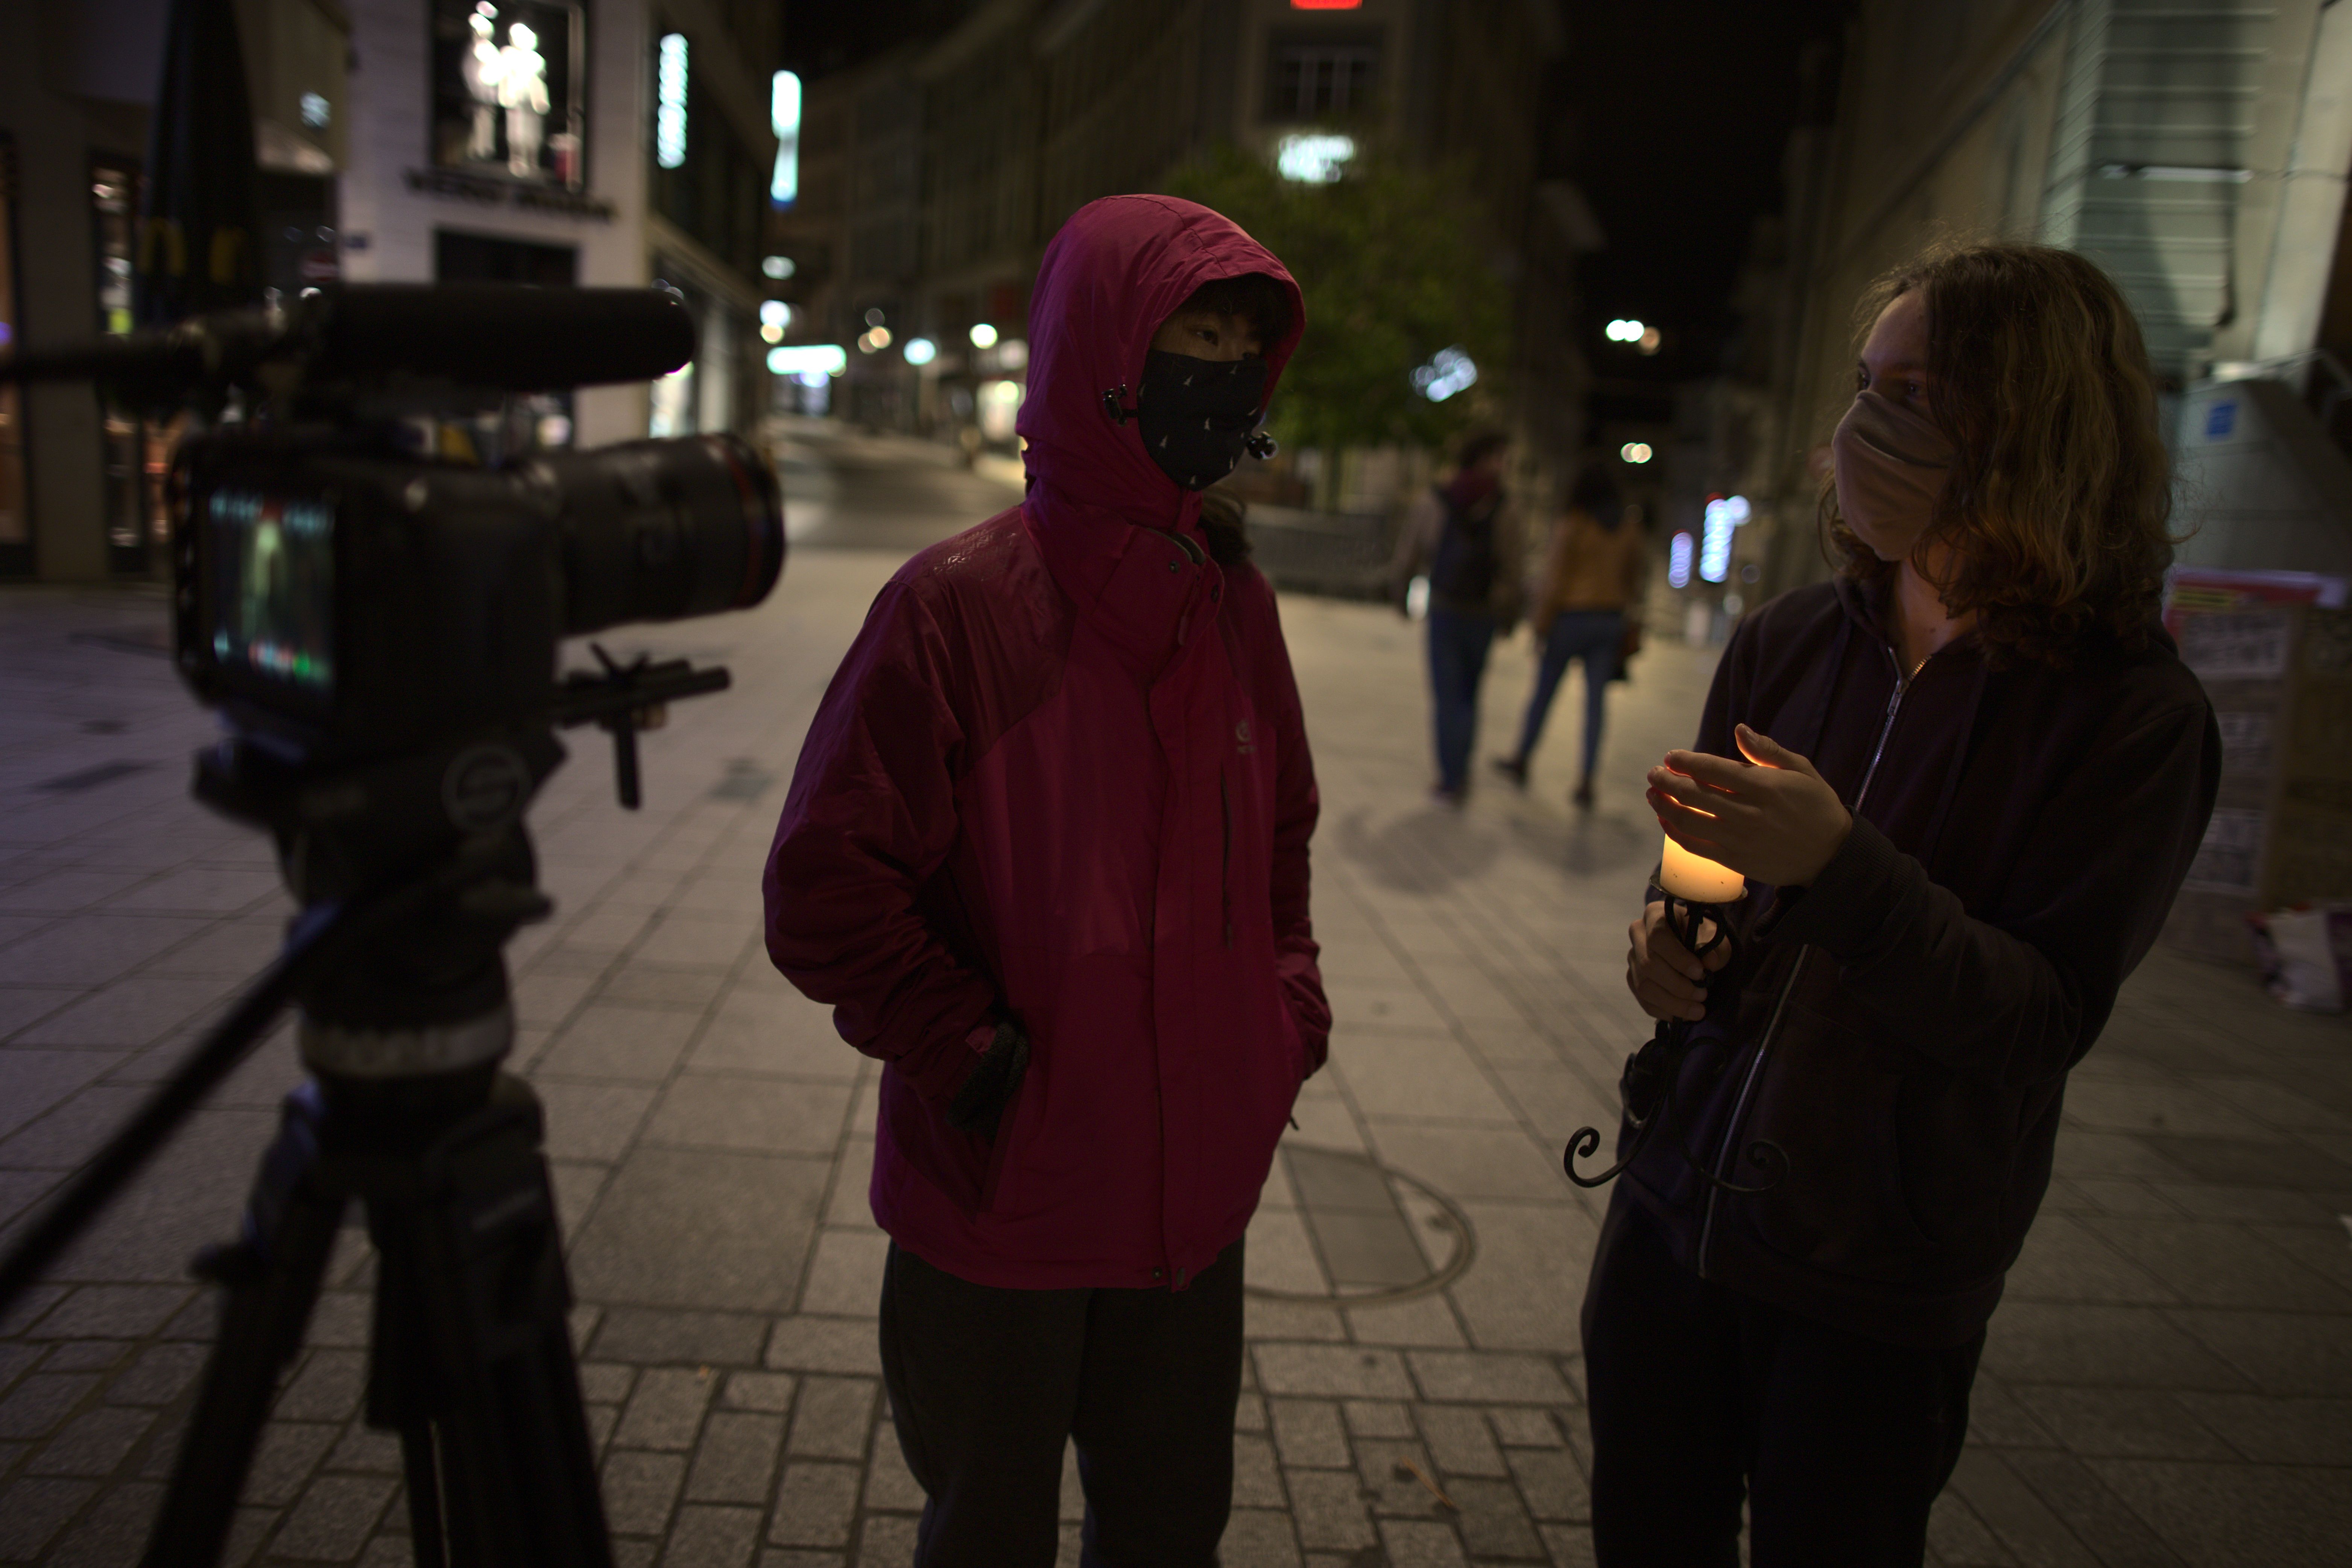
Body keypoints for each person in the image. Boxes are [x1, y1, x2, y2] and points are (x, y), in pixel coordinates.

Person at [1590, 241, 2220, 1565]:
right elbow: (1695, 865)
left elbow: (2038, 1016)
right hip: (1673, 1211)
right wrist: (1667, 932)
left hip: (1872, 1286)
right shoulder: (1791, 638)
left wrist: (1845, 868)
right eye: (1867, 384)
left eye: (1918, 391)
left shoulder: (2132, 715)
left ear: (2035, 417)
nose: (1865, 425)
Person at [763, 194, 1328, 1567]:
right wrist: (962, 1046)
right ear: (1102, 357)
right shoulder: (954, 606)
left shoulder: (1230, 597)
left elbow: (1281, 841)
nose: (1221, 375)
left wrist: (1281, 1017)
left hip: (1194, 1200)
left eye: (1240, 348)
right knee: (986, 1530)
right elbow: (825, 882)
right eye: (1192, 337)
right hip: (1001, 1199)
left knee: (1167, 1526)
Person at [1494, 462, 1646, 807]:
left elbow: (1555, 579)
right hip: (1609, 620)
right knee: (1596, 704)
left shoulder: (1575, 523)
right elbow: (1636, 576)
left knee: (1544, 692)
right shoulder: (1628, 527)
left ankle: (1522, 758)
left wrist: (1541, 625)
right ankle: (1587, 780)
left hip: (1571, 618)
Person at [1391, 430, 1525, 803]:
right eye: (1499, 457)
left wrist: (1401, 590)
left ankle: (1450, 777)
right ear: (1483, 458)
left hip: (1447, 608)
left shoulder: (1438, 497)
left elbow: (1412, 546)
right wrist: (1510, 610)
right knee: (1468, 694)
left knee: (1448, 695)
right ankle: (1459, 772)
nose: (1503, 466)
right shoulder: (1505, 505)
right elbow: (1514, 564)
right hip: (1480, 612)